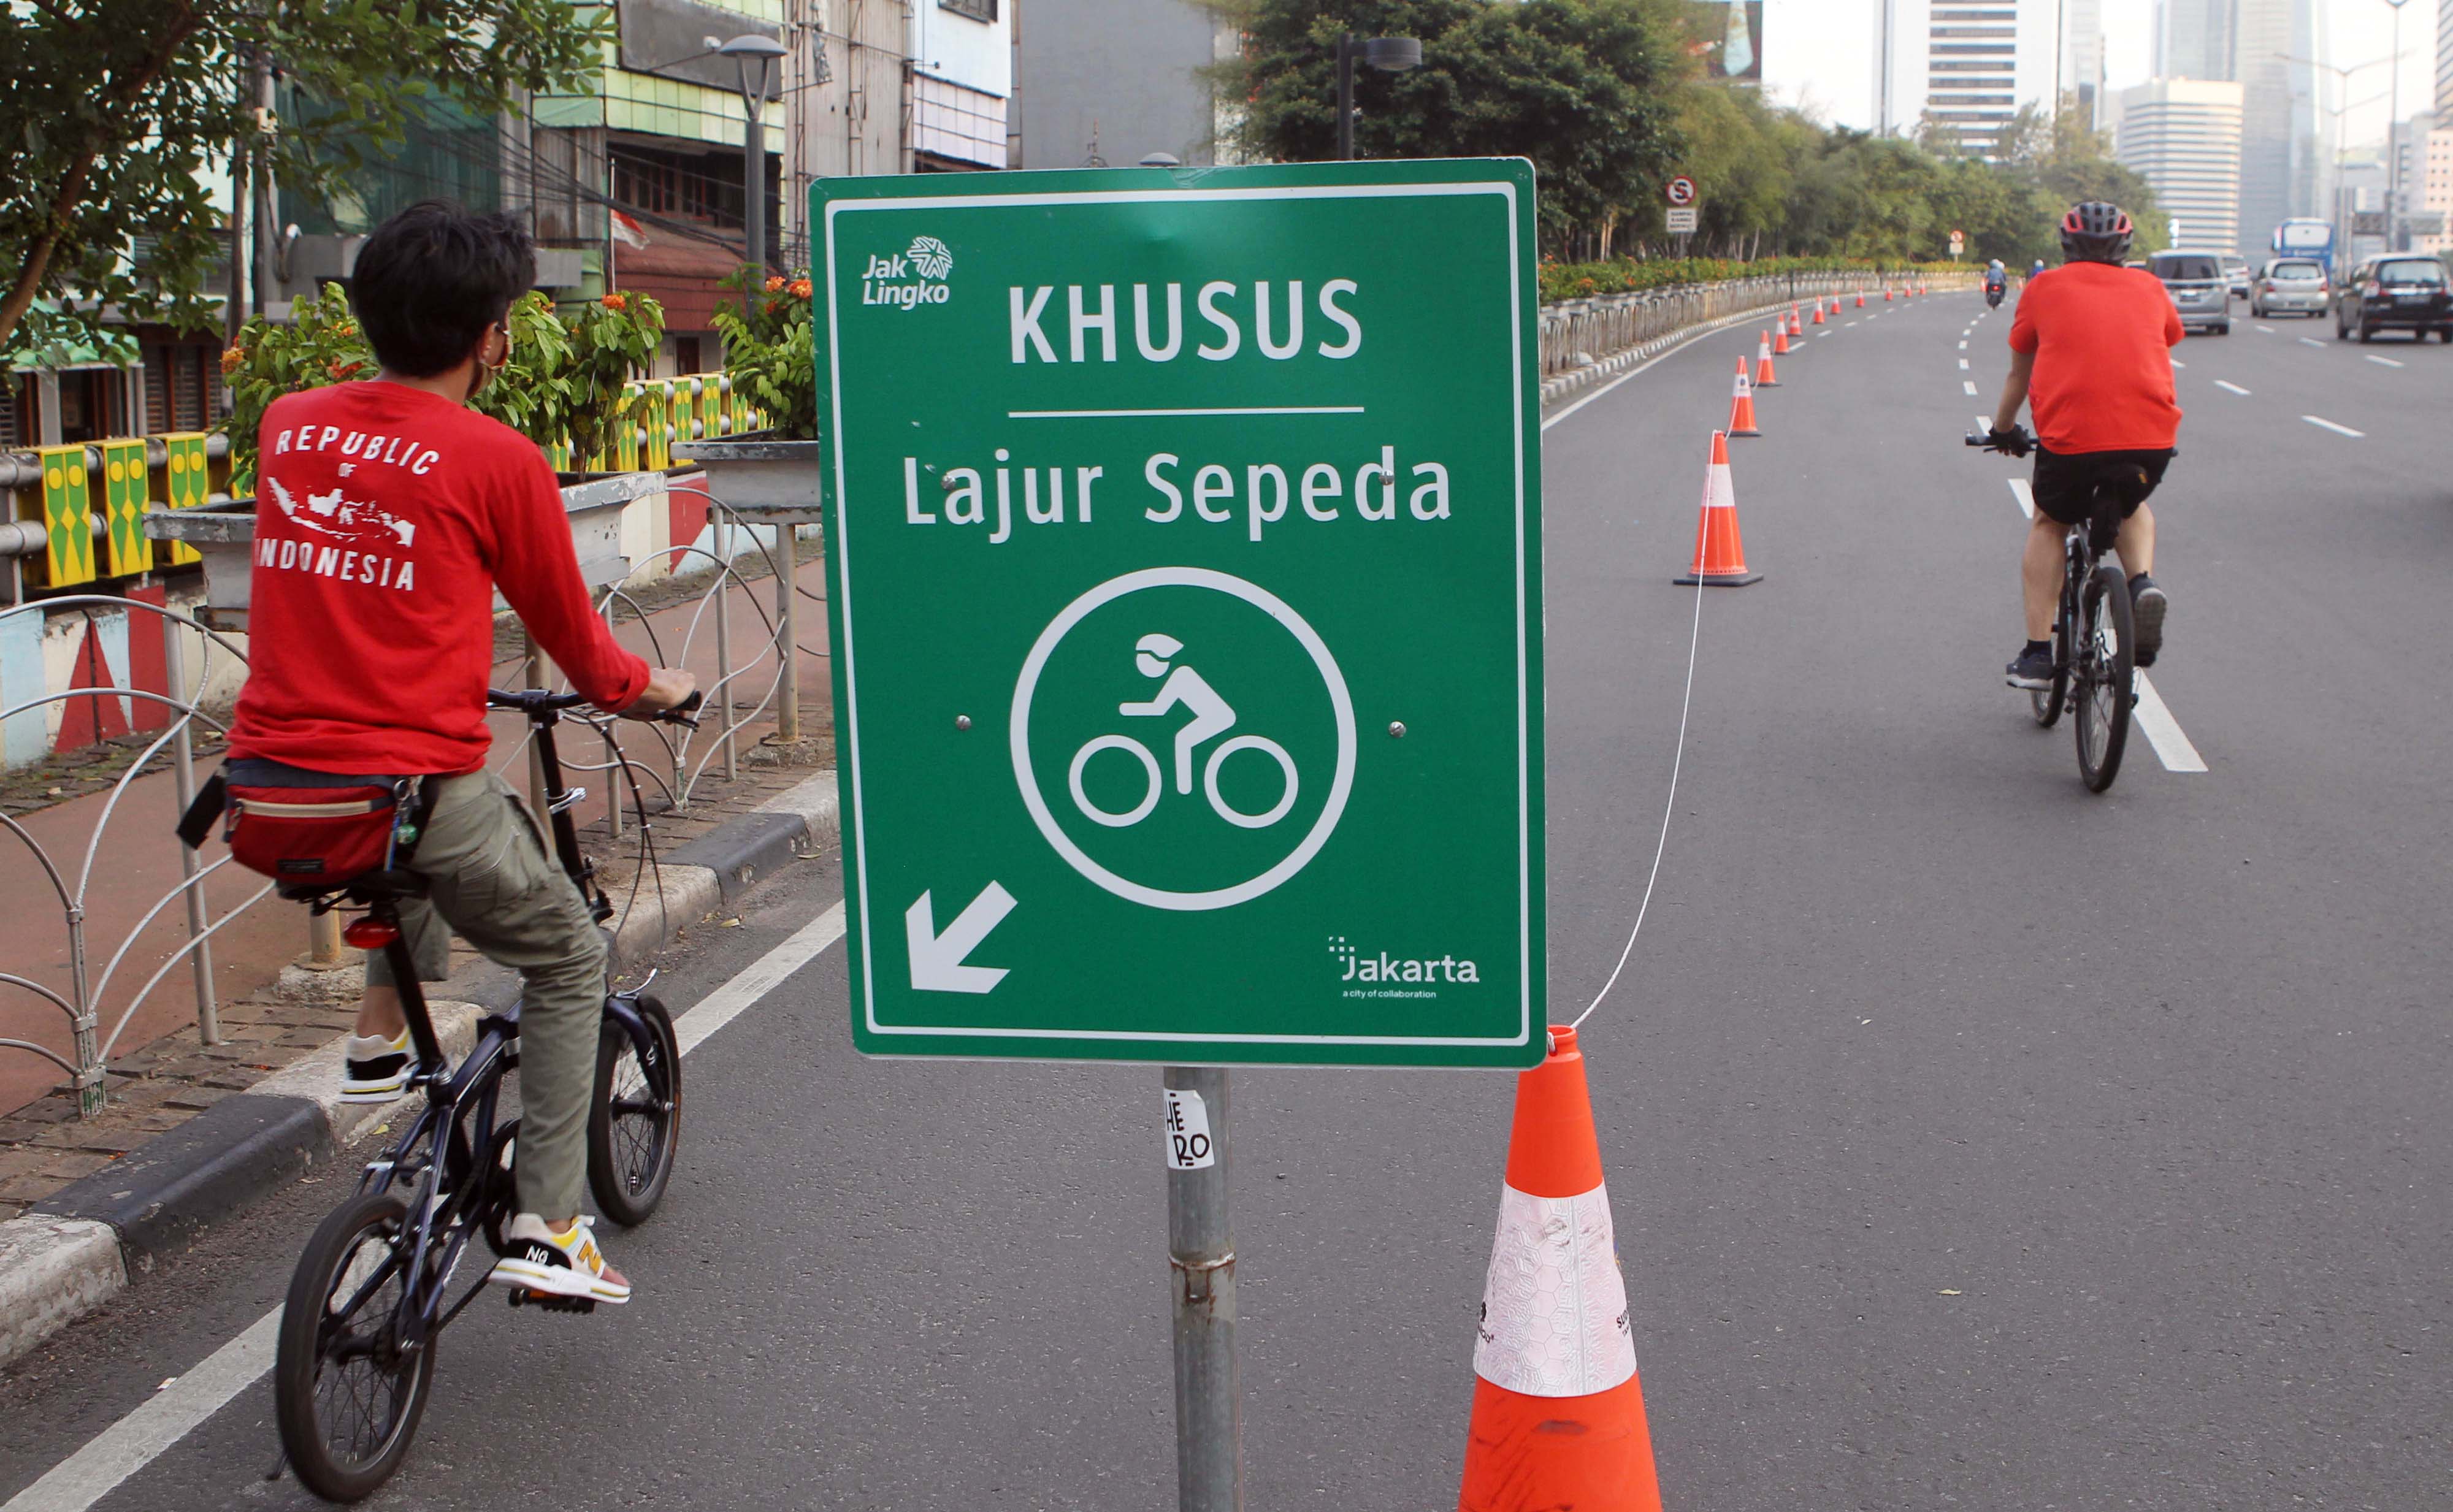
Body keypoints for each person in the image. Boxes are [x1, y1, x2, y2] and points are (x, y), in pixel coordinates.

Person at [224, 201, 696, 1305]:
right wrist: (655, 688)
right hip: (410, 789)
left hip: (269, 793)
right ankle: (549, 1224)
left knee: (434, 834)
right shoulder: (496, 458)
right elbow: (584, 654)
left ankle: (376, 1043)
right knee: (566, 953)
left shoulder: (289, 423)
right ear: (493, 338)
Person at [1986, 202, 2176, 689]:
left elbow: (2019, 373)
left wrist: (2003, 430)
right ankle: (2141, 585)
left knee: (2050, 521)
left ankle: (2037, 655)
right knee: (2132, 503)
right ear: (2125, 247)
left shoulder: (2044, 288)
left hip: (2073, 442)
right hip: (2150, 438)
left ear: (2066, 245)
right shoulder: (2151, 288)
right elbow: (2166, 339)